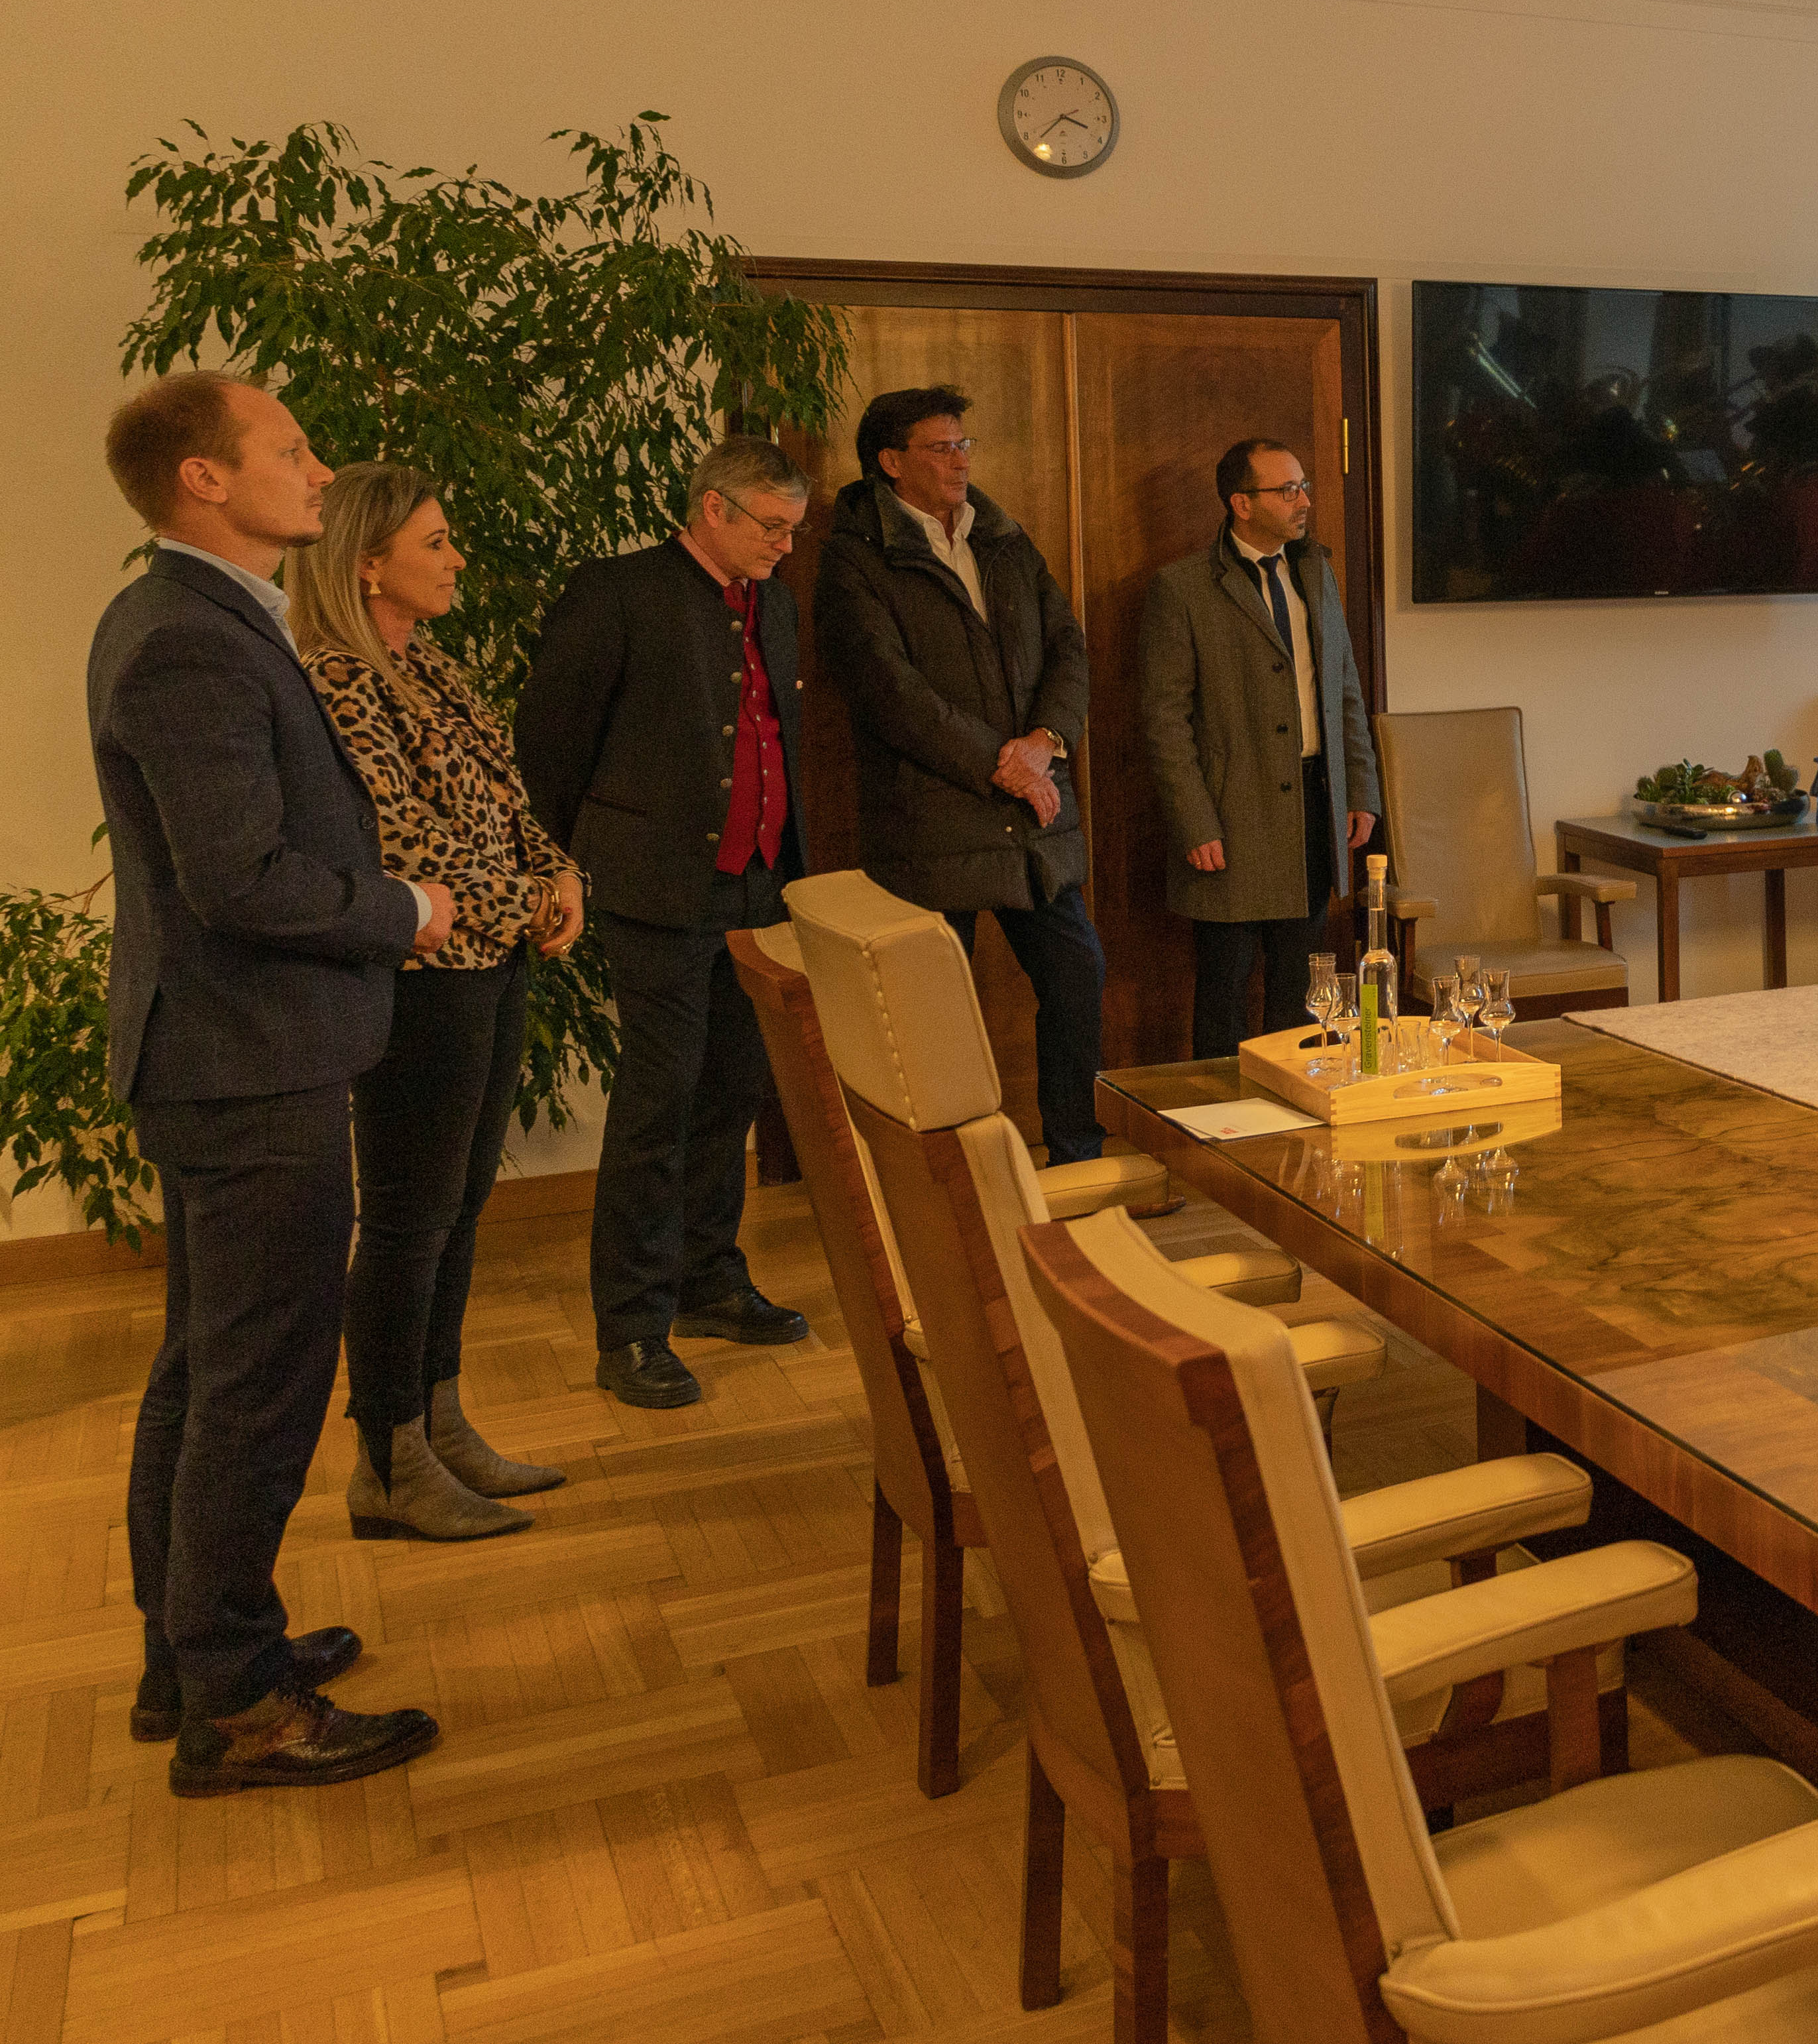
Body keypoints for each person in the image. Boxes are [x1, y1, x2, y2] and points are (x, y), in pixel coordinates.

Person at [92, 369, 445, 1794]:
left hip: (233, 1054)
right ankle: (235, 1702)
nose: (317, 472)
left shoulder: (201, 614)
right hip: (247, 1060)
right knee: (257, 1381)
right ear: (205, 480)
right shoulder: (189, 636)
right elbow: (237, 877)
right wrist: (400, 910)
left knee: (208, 1365)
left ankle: (195, 1649)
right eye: (289, 452)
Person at [297, 464, 587, 1535]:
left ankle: (440, 1416)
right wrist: (526, 896)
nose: (456, 555)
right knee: (409, 1217)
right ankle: (386, 1456)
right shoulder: (334, 677)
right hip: (418, 979)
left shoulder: (436, 666)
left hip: (491, 959)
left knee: (462, 1203)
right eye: (435, 540)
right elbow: (403, 847)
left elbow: (508, 806)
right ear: (368, 559)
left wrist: (560, 874)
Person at [518, 437, 817, 1410]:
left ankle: (711, 1280)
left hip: (762, 890)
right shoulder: (617, 592)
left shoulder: (772, 596)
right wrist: (561, 863)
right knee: (661, 1098)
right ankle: (633, 1325)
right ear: (713, 509)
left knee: (733, 1088)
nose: (784, 545)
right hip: (656, 888)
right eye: (772, 526)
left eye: (792, 528)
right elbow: (549, 744)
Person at [817, 385, 1106, 1161]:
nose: (961, 460)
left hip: (1035, 817)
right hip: (935, 819)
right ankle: (946, 1174)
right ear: (890, 462)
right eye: (941, 447)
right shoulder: (854, 557)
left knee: (1077, 976)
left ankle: (1077, 1154)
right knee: (935, 1013)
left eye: (964, 444)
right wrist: (997, 762)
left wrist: (1044, 740)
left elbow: (1067, 644)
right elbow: (889, 692)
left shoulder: (1002, 536)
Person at [1137, 438, 1383, 1059]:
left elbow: (1346, 690)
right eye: (1288, 490)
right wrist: (1195, 822)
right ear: (1241, 503)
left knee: (1300, 988)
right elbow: (1165, 720)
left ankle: (1291, 1120)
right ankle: (1218, 1125)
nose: (1304, 501)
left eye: (1303, 486)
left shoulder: (1314, 571)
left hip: (1312, 804)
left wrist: (1360, 792)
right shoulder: (1184, 587)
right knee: (1223, 988)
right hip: (1231, 814)